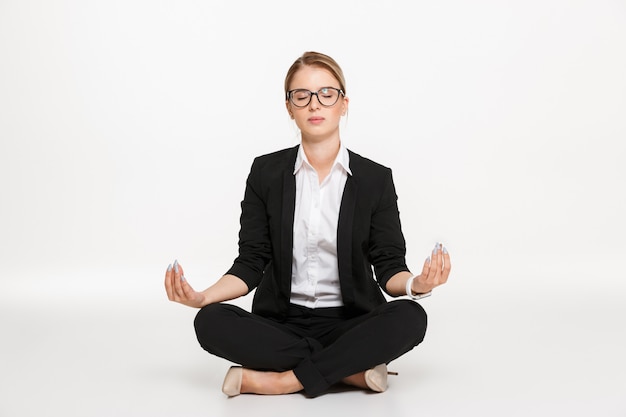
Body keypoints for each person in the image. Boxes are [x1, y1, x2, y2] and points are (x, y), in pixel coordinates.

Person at [164, 51, 451, 398]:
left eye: (326, 94)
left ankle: (282, 380)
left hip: (351, 323)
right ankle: (349, 371)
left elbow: (389, 268)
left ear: (343, 104)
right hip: (281, 325)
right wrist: (202, 296)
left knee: (410, 317)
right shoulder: (265, 173)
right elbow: (251, 262)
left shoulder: (375, 179)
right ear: (290, 108)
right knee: (209, 321)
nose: (315, 104)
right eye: (302, 96)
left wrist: (418, 284)